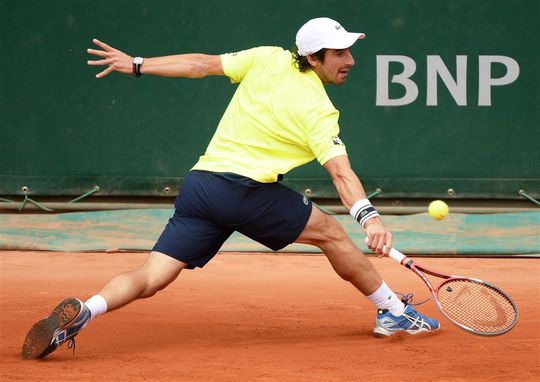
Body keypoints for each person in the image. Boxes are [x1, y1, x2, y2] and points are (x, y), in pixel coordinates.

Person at [22, 17, 439, 360]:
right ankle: (393, 311)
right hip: (245, 193)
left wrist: (136, 63)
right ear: (313, 58)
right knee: (331, 232)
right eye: (340, 53)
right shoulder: (318, 110)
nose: (350, 60)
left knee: (151, 277)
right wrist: (371, 217)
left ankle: (86, 311)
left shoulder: (267, 58)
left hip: (200, 187)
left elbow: (199, 64)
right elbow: (342, 174)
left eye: (350, 50)